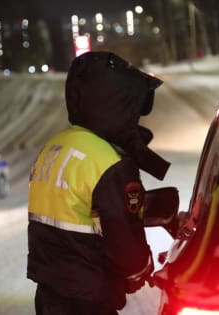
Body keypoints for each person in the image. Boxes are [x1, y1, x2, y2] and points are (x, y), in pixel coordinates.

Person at [27, 51, 171, 315]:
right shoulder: (109, 162)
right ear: (118, 105)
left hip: (49, 294)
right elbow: (122, 233)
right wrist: (140, 269)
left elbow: (78, 209)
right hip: (89, 297)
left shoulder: (55, 147)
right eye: (133, 110)